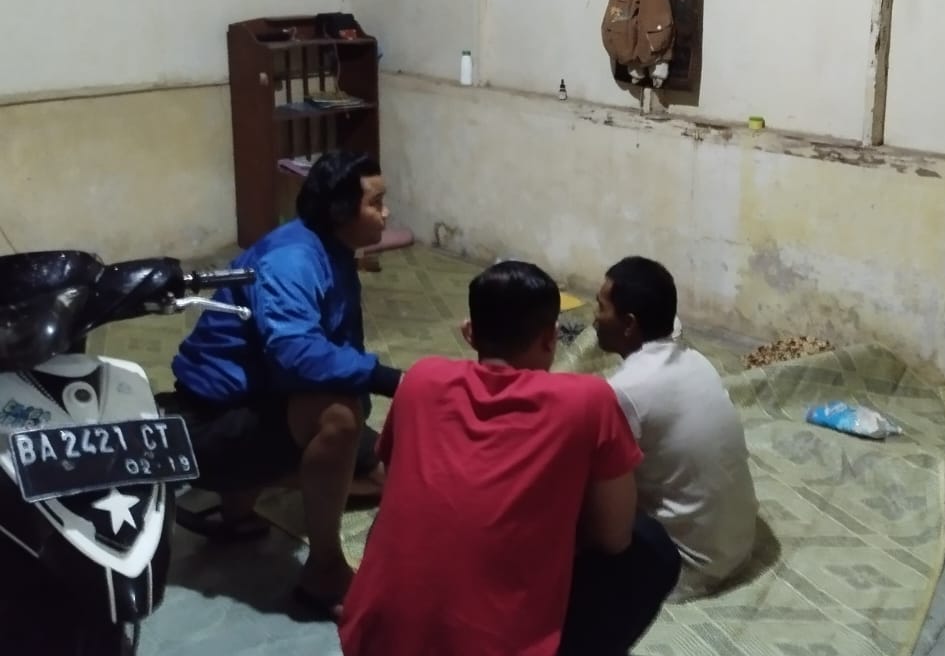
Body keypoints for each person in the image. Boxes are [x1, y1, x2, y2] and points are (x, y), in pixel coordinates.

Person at [339, 261, 681, 656]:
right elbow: (614, 536)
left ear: (470, 332)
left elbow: (397, 475)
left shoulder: (421, 379)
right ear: (551, 338)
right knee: (650, 546)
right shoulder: (587, 401)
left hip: (371, 639)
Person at [168, 150, 401, 614]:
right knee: (338, 417)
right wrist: (386, 378)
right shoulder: (293, 259)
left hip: (261, 400)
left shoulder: (329, 248)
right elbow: (296, 353)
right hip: (209, 422)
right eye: (376, 203)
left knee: (385, 475)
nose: (387, 213)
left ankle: (242, 504)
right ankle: (323, 573)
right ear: (340, 211)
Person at [594, 256, 758, 598]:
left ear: (629, 324)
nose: (594, 318)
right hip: (738, 547)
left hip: (685, 568)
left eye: (601, 308)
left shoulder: (625, 391)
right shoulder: (696, 360)